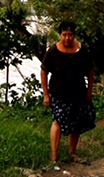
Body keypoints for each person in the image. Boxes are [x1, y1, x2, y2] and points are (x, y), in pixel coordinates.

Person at [40, 20, 95, 163]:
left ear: (74, 35)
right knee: (57, 121)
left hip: (78, 92)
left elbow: (90, 71)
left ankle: (72, 153)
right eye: (64, 35)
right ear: (60, 35)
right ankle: (54, 156)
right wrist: (46, 94)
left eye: (70, 35)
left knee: (77, 123)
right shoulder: (53, 51)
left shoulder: (82, 51)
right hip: (58, 93)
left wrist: (89, 91)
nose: (67, 38)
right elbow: (44, 71)